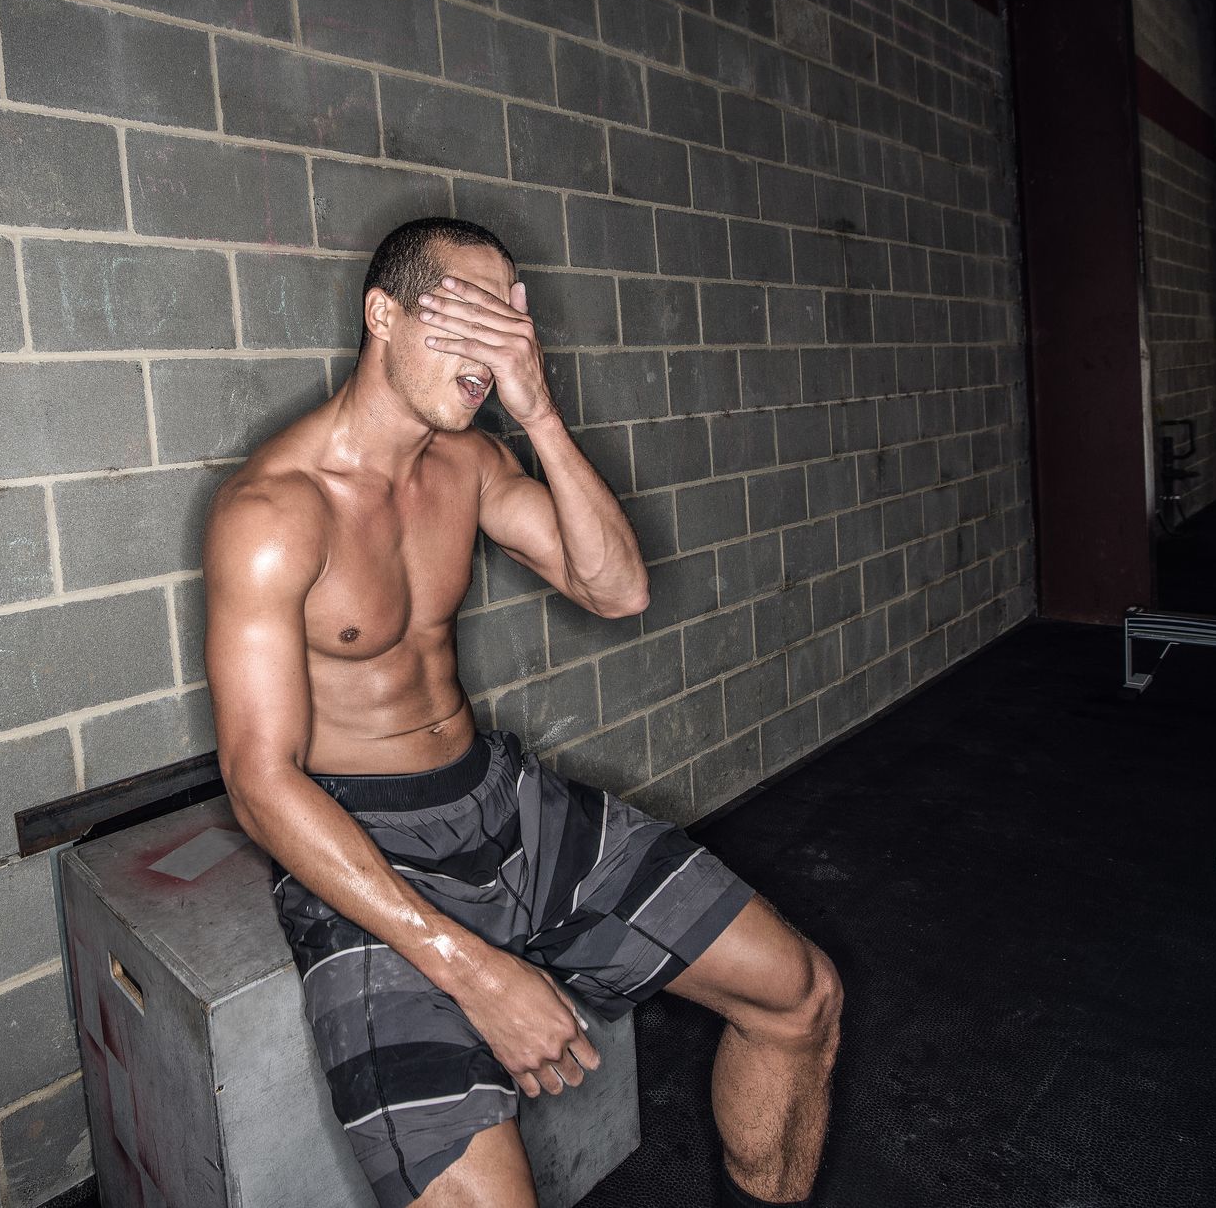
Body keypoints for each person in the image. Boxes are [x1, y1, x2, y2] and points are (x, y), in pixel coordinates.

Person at [202, 218, 843, 1208]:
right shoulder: (273, 512)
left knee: (799, 997)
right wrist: (471, 968)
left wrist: (538, 411)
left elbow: (616, 587)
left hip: (503, 805)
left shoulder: (468, 464)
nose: (495, 343)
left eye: (509, 318)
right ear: (382, 314)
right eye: (465, 313)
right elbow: (259, 778)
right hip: (365, 845)